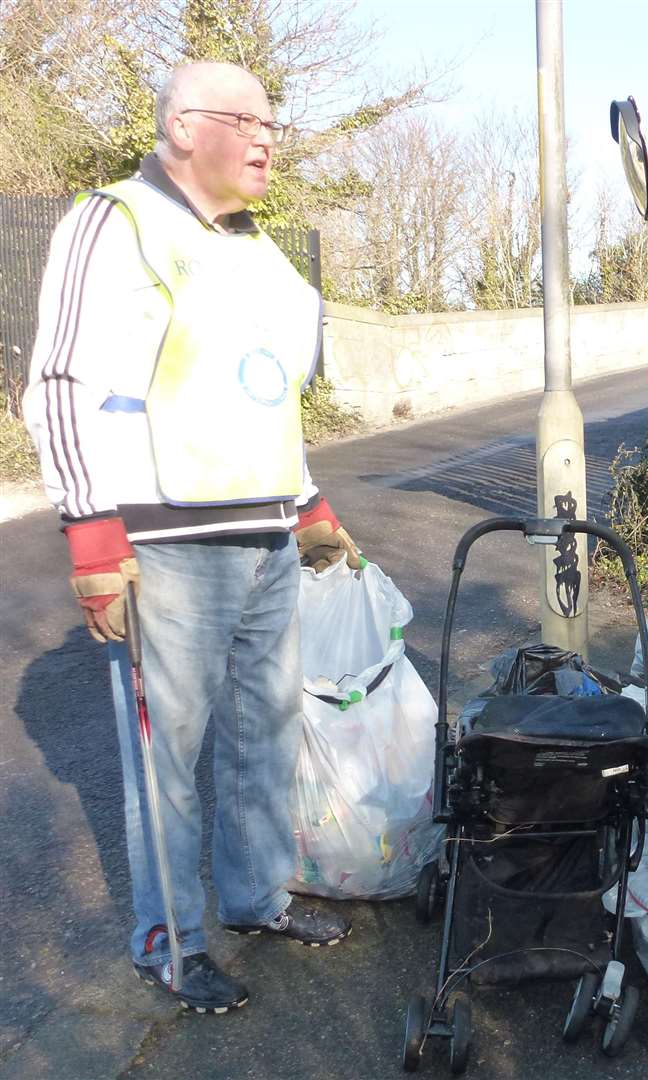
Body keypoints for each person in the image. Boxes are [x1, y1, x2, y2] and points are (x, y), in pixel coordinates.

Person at [23, 62, 360, 1015]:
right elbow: (60, 384)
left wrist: (309, 503)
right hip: (160, 541)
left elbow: (261, 392)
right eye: (243, 120)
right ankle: (170, 939)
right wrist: (91, 537)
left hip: (264, 535)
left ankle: (254, 897)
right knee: (165, 755)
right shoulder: (116, 220)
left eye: (271, 121)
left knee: (268, 730)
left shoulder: (257, 251)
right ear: (179, 127)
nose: (266, 137)